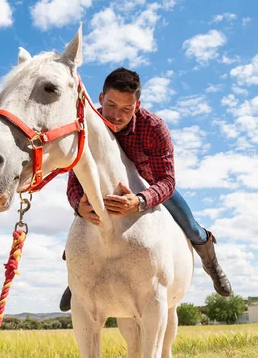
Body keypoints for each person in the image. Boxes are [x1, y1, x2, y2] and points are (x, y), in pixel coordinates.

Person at [60, 67, 232, 312]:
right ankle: (75, 281)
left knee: (190, 225)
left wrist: (141, 200)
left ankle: (212, 264)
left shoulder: (154, 127)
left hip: (150, 186)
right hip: (105, 192)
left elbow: (168, 181)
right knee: (79, 236)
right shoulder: (88, 127)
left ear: (137, 105)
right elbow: (74, 178)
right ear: (100, 98)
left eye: (126, 109)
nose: (117, 116)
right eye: (111, 106)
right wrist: (78, 205)